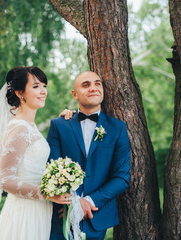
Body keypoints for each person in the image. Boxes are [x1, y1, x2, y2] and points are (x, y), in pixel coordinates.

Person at [0, 66, 73, 240]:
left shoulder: (30, 127)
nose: (43, 91)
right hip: (24, 213)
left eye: (44, 86)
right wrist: (47, 194)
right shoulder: (19, 128)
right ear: (19, 93)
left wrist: (68, 116)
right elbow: (4, 179)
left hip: (38, 210)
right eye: (36, 86)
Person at [47, 71, 131, 240]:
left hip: (97, 216)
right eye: (86, 85)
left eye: (97, 84)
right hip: (62, 216)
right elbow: (51, 169)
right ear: (74, 93)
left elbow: (122, 177)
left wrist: (89, 202)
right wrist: (74, 203)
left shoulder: (118, 128)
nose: (93, 88)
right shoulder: (59, 125)